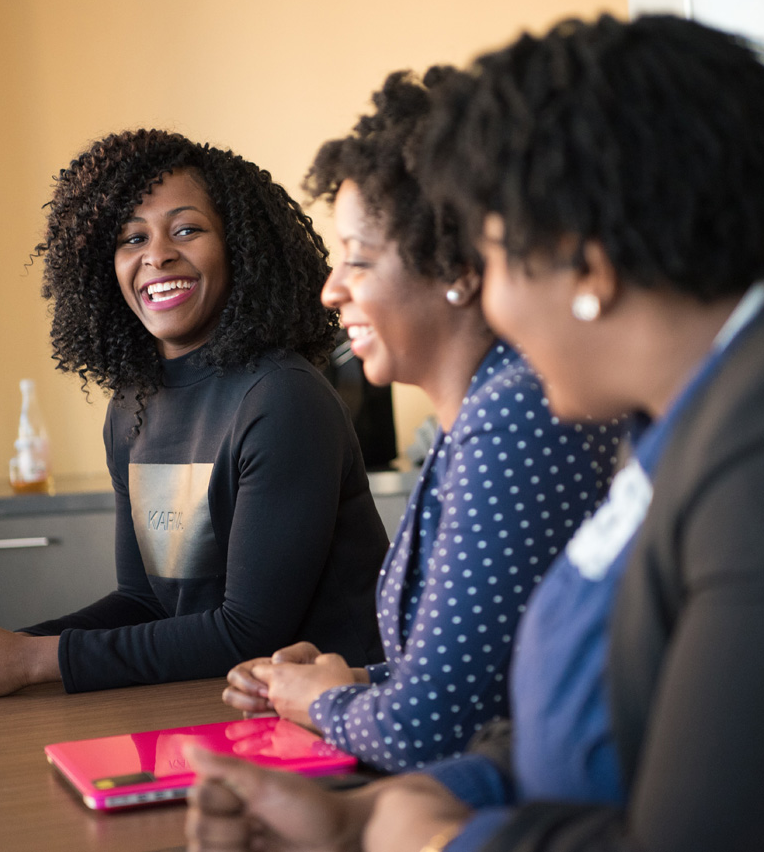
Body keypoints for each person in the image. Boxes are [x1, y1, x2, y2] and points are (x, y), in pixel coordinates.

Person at [183, 14, 764, 851]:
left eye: (493, 260)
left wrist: (430, 839)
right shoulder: (730, 386)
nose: (492, 305)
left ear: (588, 266)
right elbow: (614, 713)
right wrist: (362, 815)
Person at [219, 68, 621, 773]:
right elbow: (480, 678)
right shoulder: (479, 413)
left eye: (358, 260)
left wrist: (321, 704)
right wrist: (342, 684)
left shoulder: (515, 417)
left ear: (456, 268)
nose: (331, 288)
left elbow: (428, 732)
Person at [0, 129, 388, 699]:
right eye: (131, 238)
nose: (157, 254)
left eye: (187, 229)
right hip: (207, 700)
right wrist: (9, 645)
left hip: (332, 719)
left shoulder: (282, 397)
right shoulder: (132, 405)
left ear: (239, 247)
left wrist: (31, 659)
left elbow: (247, 631)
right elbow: (145, 602)